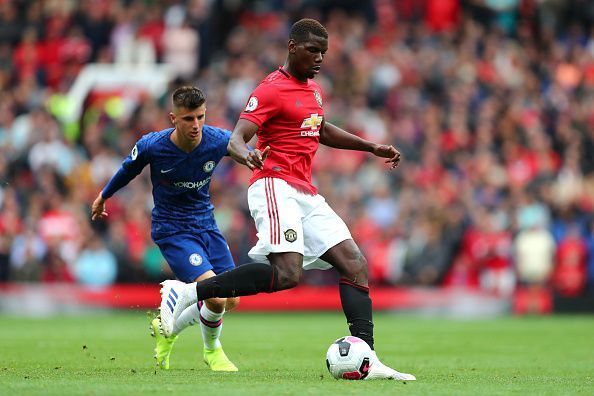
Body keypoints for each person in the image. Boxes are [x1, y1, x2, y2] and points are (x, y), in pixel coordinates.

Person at [158, 19, 416, 380]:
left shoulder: (313, 89)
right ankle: (189, 292)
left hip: (304, 191)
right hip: (273, 184)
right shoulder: (270, 89)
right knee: (287, 274)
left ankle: (367, 356)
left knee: (354, 263)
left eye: (324, 52)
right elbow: (237, 137)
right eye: (313, 51)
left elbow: (321, 128)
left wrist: (370, 145)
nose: (320, 58)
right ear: (293, 47)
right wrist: (247, 155)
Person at [91, 86, 239, 372]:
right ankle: (212, 352)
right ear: (173, 118)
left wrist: (256, 157)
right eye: (188, 119)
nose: (195, 125)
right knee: (215, 295)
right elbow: (127, 170)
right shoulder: (153, 145)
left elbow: (240, 148)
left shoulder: (217, 140)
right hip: (173, 230)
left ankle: (166, 330)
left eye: (200, 117)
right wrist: (103, 196)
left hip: (207, 226)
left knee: (231, 299)